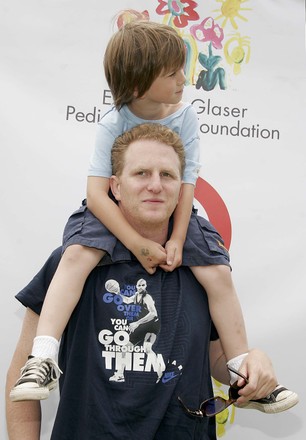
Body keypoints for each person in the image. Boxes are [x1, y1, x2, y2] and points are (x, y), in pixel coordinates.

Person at [9, 18, 298, 410]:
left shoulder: (186, 116)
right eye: (173, 72)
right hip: (109, 212)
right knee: (76, 255)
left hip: (182, 214)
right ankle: (42, 357)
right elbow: (96, 194)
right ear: (137, 83)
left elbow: (186, 185)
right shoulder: (113, 122)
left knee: (216, 271)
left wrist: (178, 238)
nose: (184, 78)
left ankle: (243, 372)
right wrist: (136, 243)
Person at [6, 124, 289, 439]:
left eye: (167, 175)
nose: (155, 185)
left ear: (182, 189)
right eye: (141, 173)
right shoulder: (71, 263)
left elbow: (220, 362)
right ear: (114, 187)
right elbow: (24, 372)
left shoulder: (203, 268)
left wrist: (253, 364)